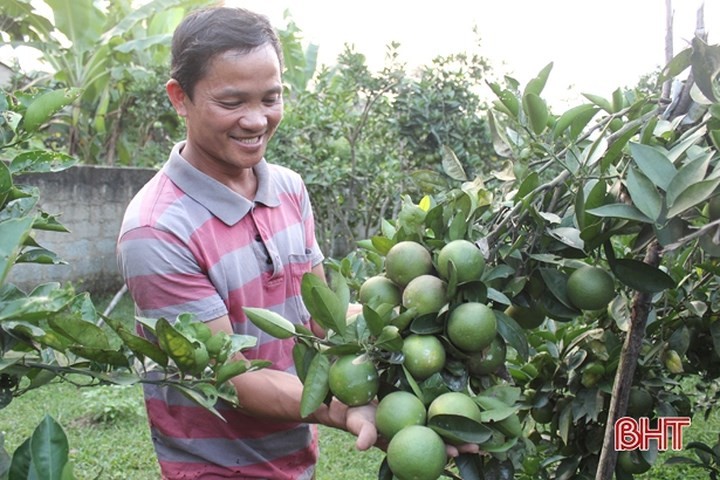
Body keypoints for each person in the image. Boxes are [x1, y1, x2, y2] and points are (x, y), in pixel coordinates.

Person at [116, 7, 376, 479]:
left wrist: (404, 319)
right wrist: (339, 407)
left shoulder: (289, 189)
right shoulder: (156, 230)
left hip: (295, 457)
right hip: (215, 469)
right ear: (180, 97)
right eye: (232, 102)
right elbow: (232, 374)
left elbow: (320, 320)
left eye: (271, 98)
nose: (256, 121)